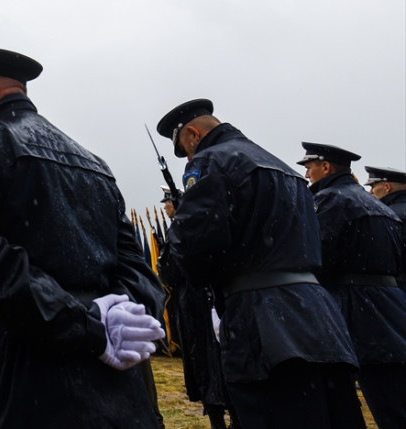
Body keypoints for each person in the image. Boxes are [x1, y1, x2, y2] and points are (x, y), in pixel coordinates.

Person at [0, 47, 165, 428]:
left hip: (21, 369)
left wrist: (89, 327)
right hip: (115, 381)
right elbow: (138, 269)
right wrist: (119, 323)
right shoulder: (94, 163)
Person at [155, 99, 362, 429]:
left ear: (193, 135)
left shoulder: (211, 161)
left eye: (185, 149)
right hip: (320, 317)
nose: (189, 158)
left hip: (262, 322)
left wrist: (183, 271)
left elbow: (193, 246)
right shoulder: (285, 168)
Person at [297, 143, 406, 429]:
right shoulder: (375, 204)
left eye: (309, 167)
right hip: (390, 304)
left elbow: (317, 256)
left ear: (326, 167)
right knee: (394, 395)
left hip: (356, 308)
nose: (307, 174)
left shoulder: (332, 201)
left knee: (377, 399)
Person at [157, 190, 235, 429]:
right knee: (201, 360)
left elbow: (171, 268)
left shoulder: (183, 230)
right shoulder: (188, 228)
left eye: (168, 203)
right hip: (191, 299)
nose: (165, 208)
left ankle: (220, 413)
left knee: (208, 360)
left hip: (197, 300)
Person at [364, 165, 406, 289]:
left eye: (373, 186)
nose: (370, 192)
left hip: (395, 286)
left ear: (387, 187)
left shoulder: (387, 215)